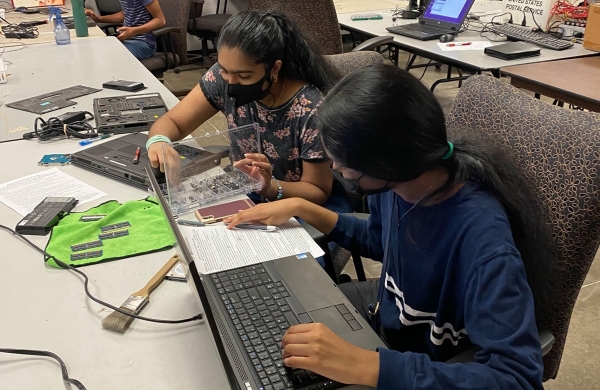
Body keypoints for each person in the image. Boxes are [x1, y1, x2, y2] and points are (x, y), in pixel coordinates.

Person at [225, 64, 555, 390]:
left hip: (428, 365)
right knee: (270, 325)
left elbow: (517, 377)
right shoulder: (399, 183)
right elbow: (380, 239)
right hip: (387, 320)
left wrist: (370, 366)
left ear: (386, 159)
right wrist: (301, 208)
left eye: (345, 163)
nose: (337, 167)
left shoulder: (483, 242)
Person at [146, 11, 352, 262]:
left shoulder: (311, 108)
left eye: (244, 76)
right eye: (224, 71)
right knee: (197, 250)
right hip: (249, 190)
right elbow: (173, 122)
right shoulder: (220, 78)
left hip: (305, 202)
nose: (230, 83)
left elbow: (317, 190)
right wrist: (159, 141)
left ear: (274, 68)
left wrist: (269, 186)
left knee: (286, 273)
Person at [85, 0, 166, 60]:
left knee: (106, 56)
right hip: (127, 41)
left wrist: (133, 31)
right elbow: (125, 14)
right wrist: (98, 19)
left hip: (144, 43)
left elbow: (160, 20)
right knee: (93, 49)